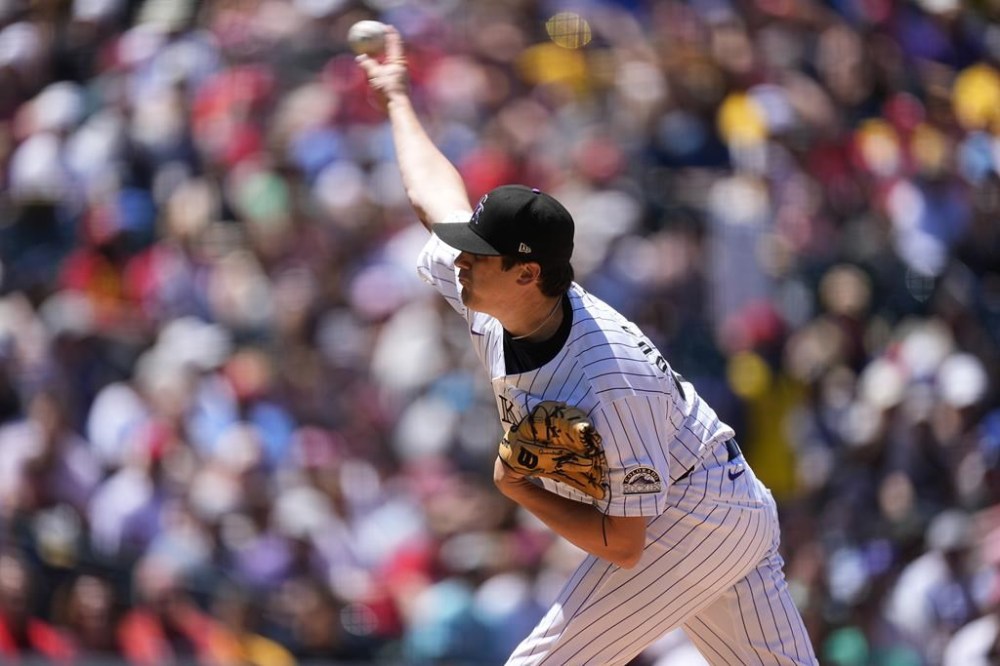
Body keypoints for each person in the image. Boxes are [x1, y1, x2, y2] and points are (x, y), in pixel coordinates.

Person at [356, 26, 818, 665]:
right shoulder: (494, 295)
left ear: (526, 273)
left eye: (480, 254)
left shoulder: (606, 376)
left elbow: (626, 545)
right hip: (716, 501)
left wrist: (524, 490)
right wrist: (398, 99)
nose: (461, 259)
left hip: (688, 515)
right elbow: (432, 197)